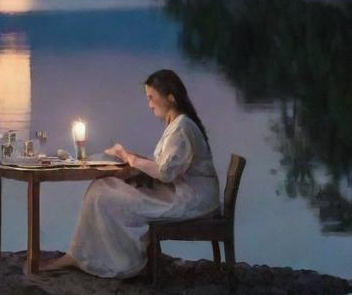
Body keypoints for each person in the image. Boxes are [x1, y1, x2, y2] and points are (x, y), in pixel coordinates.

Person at [41, 69, 220, 278]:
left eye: (152, 98)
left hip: (189, 199)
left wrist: (130, 158)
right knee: (102, 186)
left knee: (104, 196)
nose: (149, 104)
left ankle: (124, 261)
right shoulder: (177, 125)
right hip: (179, 192)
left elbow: (165, 173)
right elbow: (168, 165)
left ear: (170, 98)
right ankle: (80, 254)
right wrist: (127, 157)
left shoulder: (182, 127)